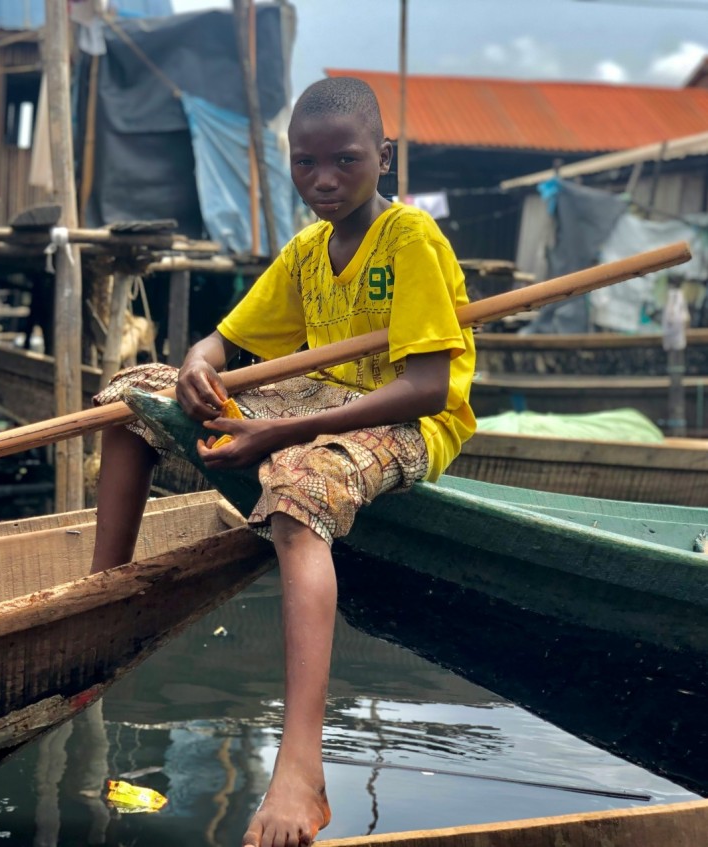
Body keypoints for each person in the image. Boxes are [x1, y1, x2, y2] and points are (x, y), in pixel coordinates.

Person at [90, 76, 476, 847]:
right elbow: (223, 340)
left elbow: (429, 386)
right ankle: (101, 609)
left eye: (346, 160)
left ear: (384, 159)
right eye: (306, 163)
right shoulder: (307, 252)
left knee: (295, 491)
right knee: (132, 395)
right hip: (318, 400)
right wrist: (202, 365)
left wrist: (273, 439)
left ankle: (302, 768)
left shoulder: (410, 242)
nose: (324, 180)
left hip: (408, 420)